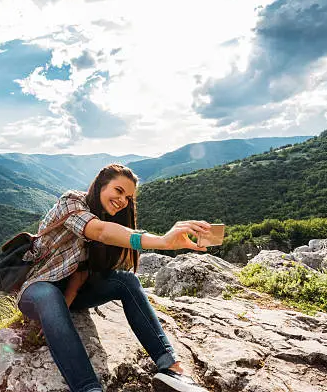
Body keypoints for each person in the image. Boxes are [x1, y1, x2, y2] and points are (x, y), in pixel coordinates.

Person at [17, 164, 211, 392]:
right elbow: (100, 231)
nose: (122, 201)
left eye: (128, 197)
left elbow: (82, 272)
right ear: (100, 184)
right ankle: (89, 389)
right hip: (36, 289)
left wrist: (63, 308)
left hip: (65, 294)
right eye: (118, 191)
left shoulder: (109, 218)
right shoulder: (71, 202)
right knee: (49, 295)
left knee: (126, 280)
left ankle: (172, 368)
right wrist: (163, 241)